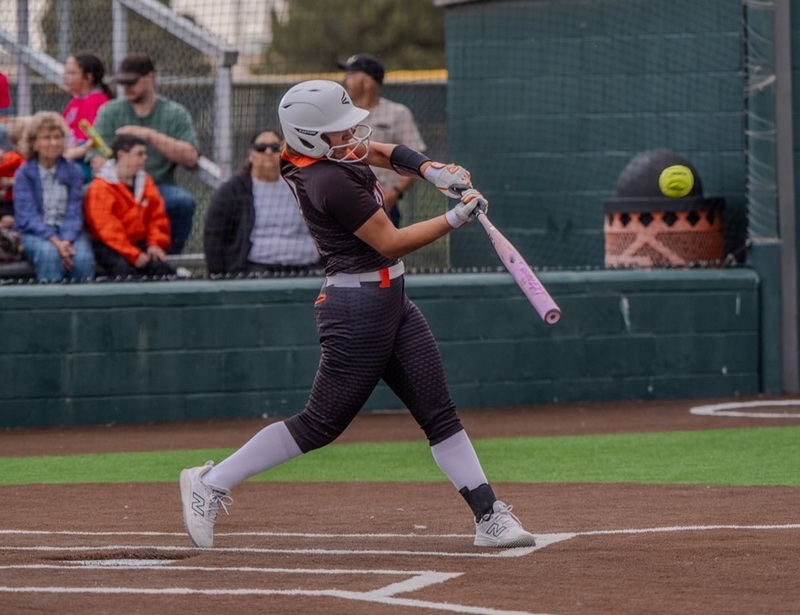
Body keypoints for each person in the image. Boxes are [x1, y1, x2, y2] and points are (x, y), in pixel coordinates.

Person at [180, 80, 535, 550]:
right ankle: (211, 481)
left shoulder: (326, 154)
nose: (352, 139)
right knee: (320, 424)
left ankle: (489, 516)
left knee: (439, 413)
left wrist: (432, 171)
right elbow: (389, 241)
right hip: (357, 308)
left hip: (392, 299)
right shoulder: (327, 180)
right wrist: (455, 218)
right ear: (310, 137)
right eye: (339, 133)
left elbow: (385, 152)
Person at [92, 53, 199, 254]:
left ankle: (168, 262)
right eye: (122, 83)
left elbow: (191, 157)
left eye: (132, 82)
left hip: (158, 185)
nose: (126, 88)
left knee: (182, 202)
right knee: (90, 197)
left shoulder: (174, 113)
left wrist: (149, 135)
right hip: (116, 187)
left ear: (149, 77)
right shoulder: (109, 111)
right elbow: (96, 157)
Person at [203, 129, 320, 275]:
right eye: (261, 148)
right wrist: (220, 276)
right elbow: (214, 234)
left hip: (306, 268)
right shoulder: (233, 191)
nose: (269, 152)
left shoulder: (303, 185)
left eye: (275, 147)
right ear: (251, 155)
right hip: (255, 270)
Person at [339, 53, 426, 228]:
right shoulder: (340, 114)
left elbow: (416, 157)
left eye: (352, 74)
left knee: (384, 254)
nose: (344, 79)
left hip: (381, 204)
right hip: (342, 201)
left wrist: (395, 193)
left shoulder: (397, 113)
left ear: (368, 81)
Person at [13, 111, 95, 282]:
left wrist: (65, 240)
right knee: (49, 255)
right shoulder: (24, 173)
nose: (53, 143)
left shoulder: (73, 171)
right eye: (46, 137)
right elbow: (27, 217)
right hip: (36, 233)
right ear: (34, 143)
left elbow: (74, 213)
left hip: (69, 232)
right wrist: (55, 242)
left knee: (83, 259)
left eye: (58, 137)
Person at [84, 133, 175, 278]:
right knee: (123, 271)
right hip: (109, 246)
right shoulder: (101, 187)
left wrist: (154, 244)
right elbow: (107, 228)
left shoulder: (146, 182)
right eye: (139, 154)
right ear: (122, 155)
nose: (145, 158)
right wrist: (132, 254)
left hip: (139, 243)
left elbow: (157, 217)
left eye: (145, 154)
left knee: (161, 269)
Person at [62, 51, 113, 183]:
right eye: (66, 72)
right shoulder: (75, 100)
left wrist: (71, 151)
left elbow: (93, 140)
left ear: (88, 78)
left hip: (86, 162)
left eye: (72, 73)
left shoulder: (99, 101)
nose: (65, 77)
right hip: (67, 153)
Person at [0, 116, 28, 228]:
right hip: (11, 202)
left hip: (29, 203)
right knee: (8, 220)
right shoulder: (13, 158)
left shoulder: (36, 159)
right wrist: (9, 181)